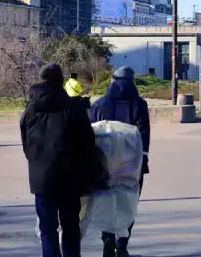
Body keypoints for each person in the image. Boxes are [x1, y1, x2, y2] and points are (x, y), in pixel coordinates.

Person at [21, 63, 101, 257]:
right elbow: (88, 144)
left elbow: (26, 147)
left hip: (41, 178)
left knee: (47, 227)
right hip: (69, 177)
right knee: (70, 226)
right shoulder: (73, 109)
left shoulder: (30, 111)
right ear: (60, 80)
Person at [89, 65, 151, 257]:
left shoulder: (99, 104)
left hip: (104, 164)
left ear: (113, 80)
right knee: (128, 203)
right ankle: (121, 245)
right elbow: (144, 134)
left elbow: (92, 132)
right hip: (131, 165)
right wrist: (143, 159)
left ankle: (107, 240)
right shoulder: (139, 104)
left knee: (105, 201)